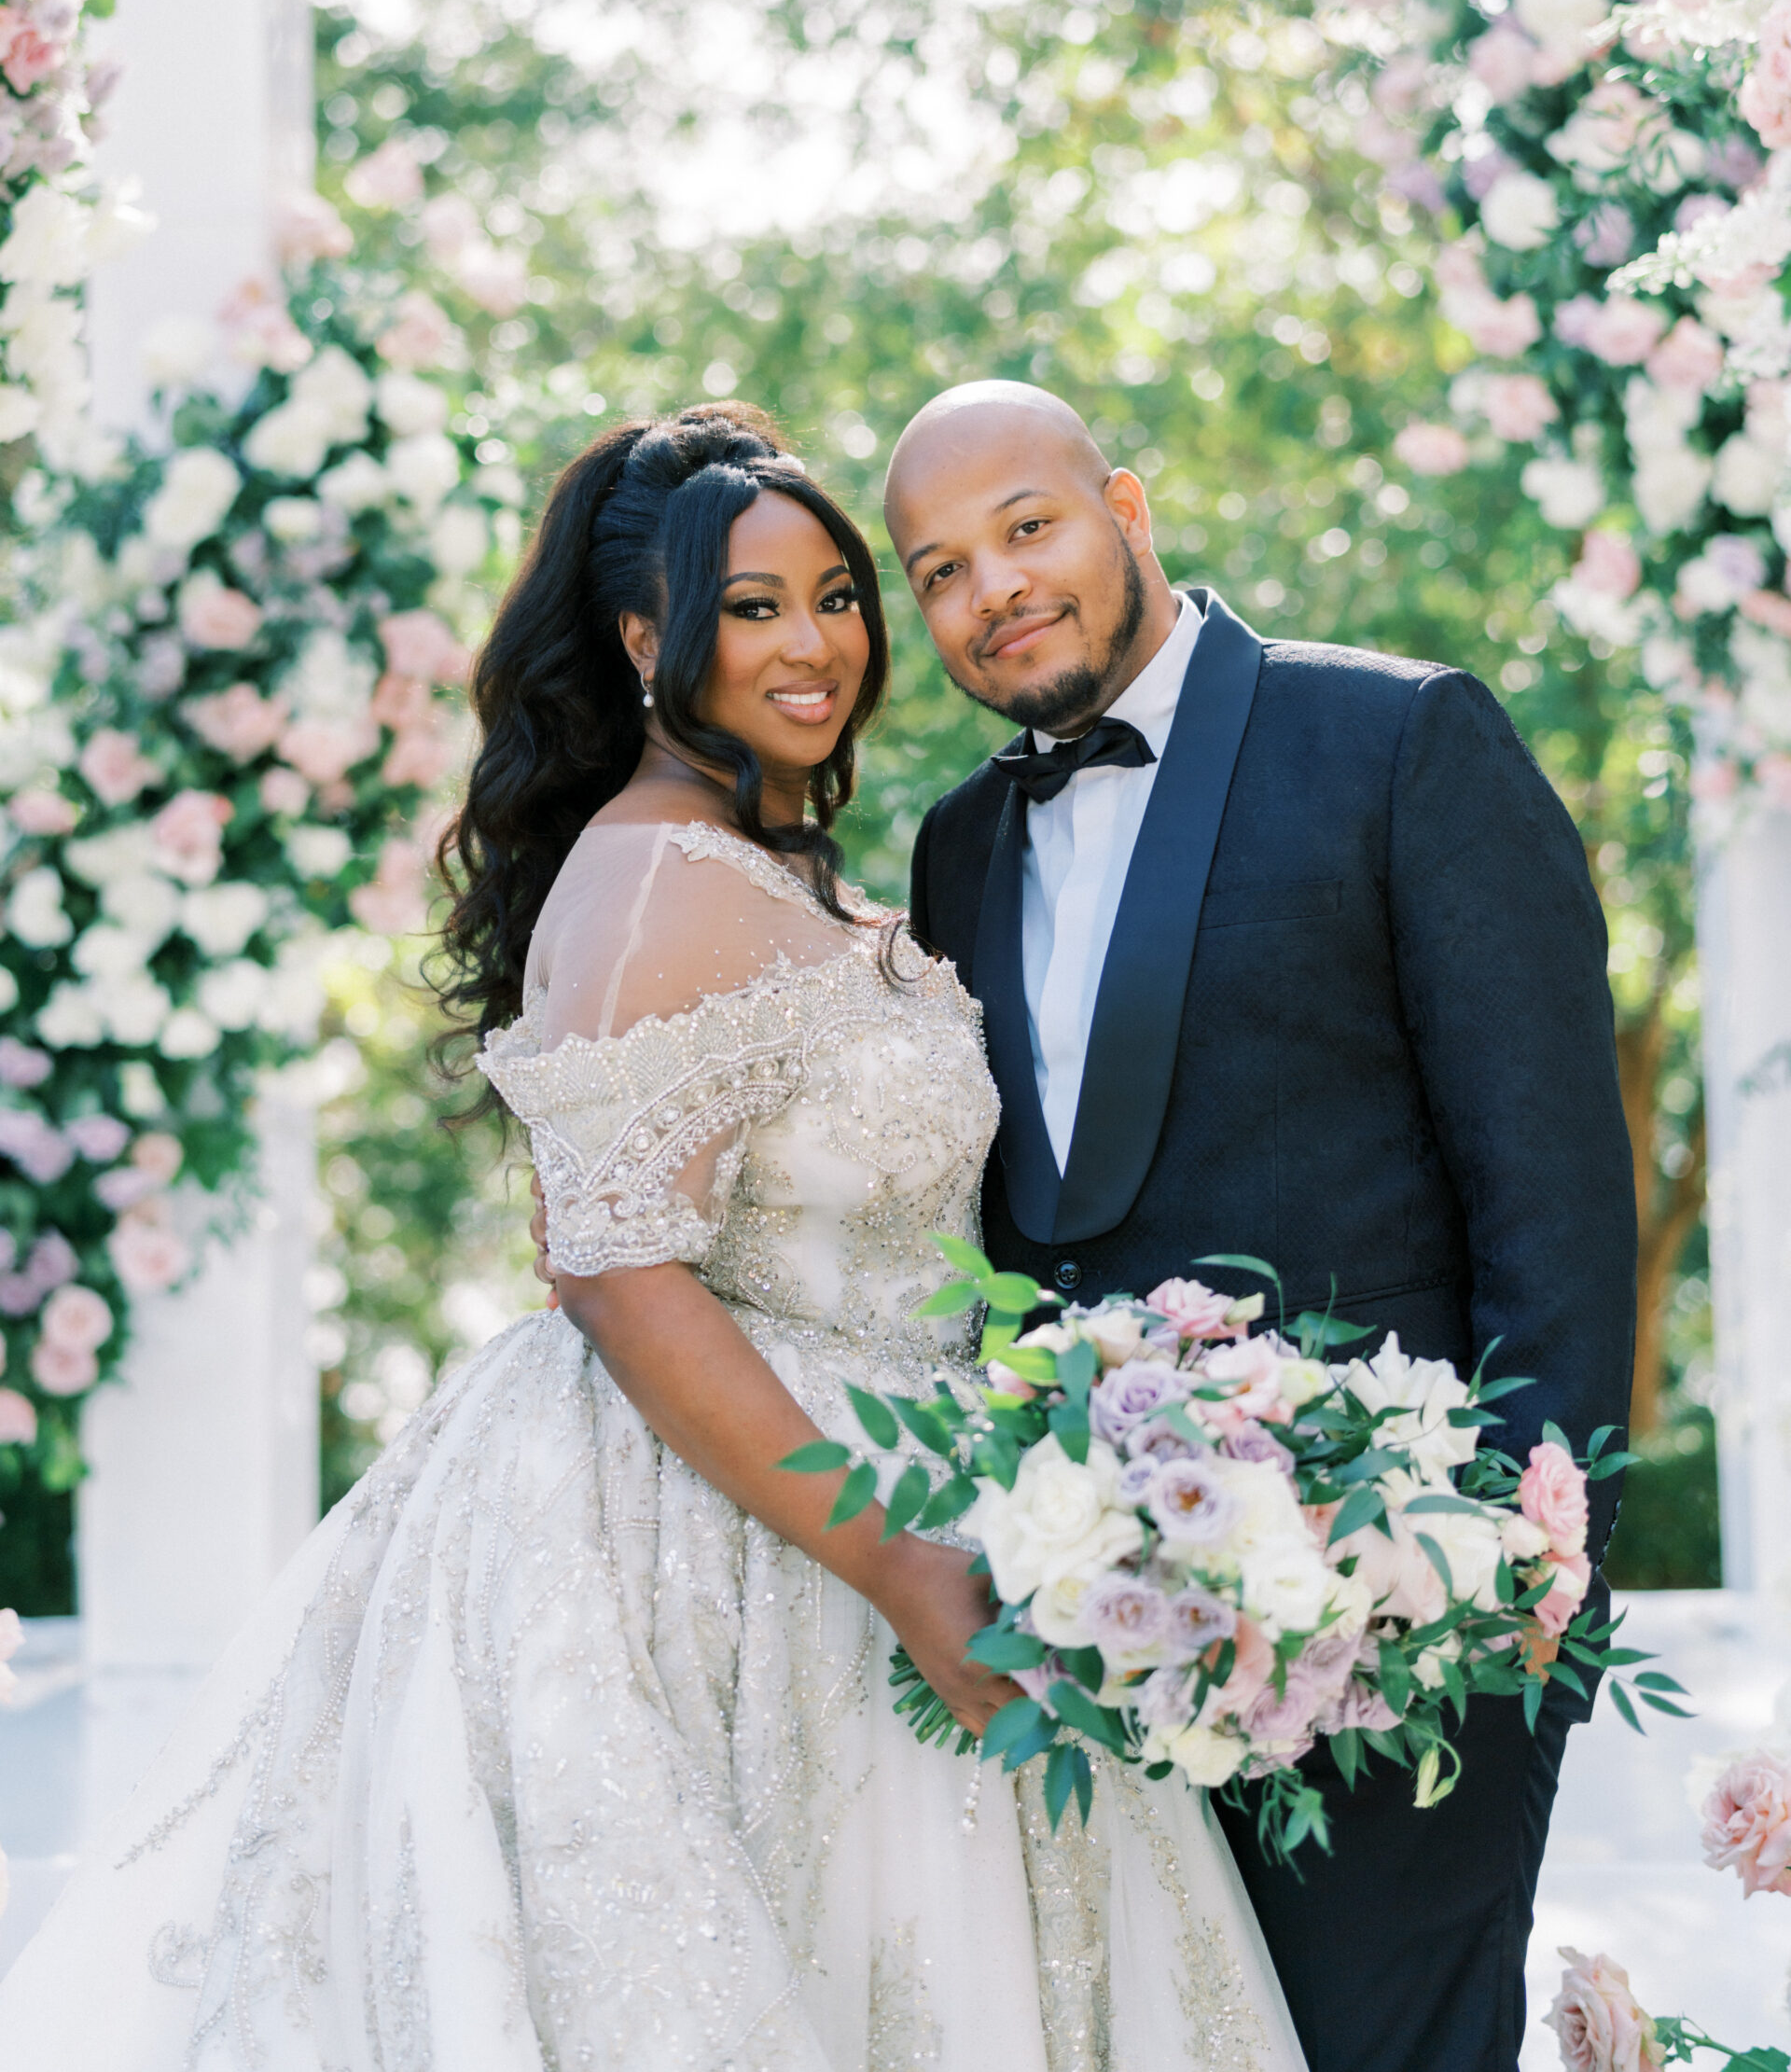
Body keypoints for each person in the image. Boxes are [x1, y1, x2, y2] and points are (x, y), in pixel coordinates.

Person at [0, 402, 1306, 2072]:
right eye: (751, 609)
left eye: (837, 594)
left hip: (901, 1463)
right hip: (740, 1541)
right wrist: (898, 1564)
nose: (815, 643)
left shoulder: (768, 866)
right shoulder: (654, 882)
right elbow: (615, 1276)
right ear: (646, 640)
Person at [881, 379, 1638, 2072]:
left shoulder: (1400, 741)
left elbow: (1559, 1206)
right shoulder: (952, 852)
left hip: (1407, 1625)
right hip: (1105, 1648)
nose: (991, 588)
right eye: (937, 569)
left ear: (1127, 510)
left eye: (1027, 529)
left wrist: (1527, 1601)